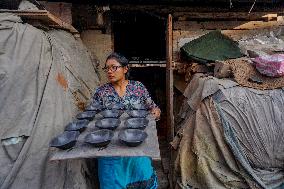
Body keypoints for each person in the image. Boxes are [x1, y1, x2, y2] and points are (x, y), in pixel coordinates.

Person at [91, 52, 161, 189]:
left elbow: (153, 108)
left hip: (136, 145)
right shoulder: (101, 92)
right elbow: (93, 116)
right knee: (111, 182)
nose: (110, 71)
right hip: (110, 147)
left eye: (114, 67)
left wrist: (156, 112)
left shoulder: (138, 88)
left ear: (125, 69)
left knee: (142, 177)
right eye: (107, 68)